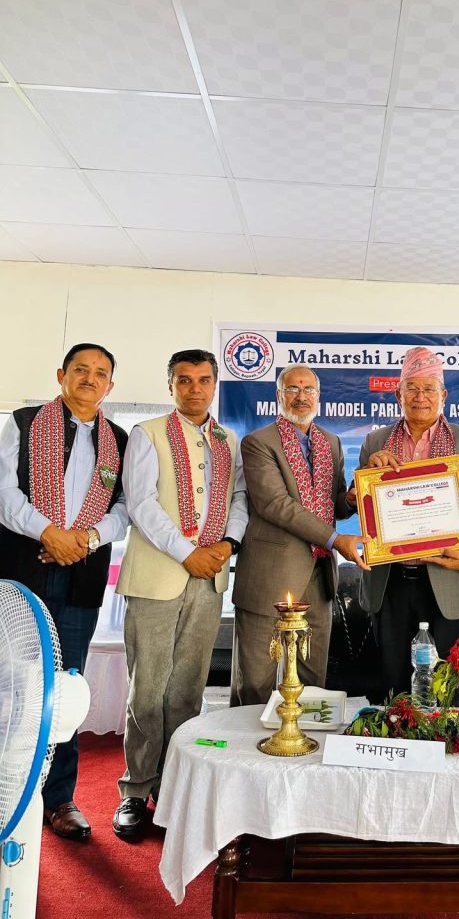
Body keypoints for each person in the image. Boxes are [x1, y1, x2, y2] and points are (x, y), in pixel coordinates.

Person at [113, 349, 247, 840]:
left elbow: (239, 499)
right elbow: (141, 503)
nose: (195, 388)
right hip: (157, 576)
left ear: (215, 385)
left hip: (210, 578)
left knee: (188, 690)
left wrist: (228, 545)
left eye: (203, 380)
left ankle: (174, 787)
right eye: (184, 380)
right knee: (147, 688)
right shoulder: (146, 434)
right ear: (170, 386)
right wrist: (188, 552)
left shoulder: (228, 440)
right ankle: (135, 790)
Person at [0, 343, 129, 840]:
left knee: (67, 688)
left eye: (100, 373)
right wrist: (48, 533)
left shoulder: (119, 440)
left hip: (82, 576)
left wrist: (85, 540)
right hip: (22, 571)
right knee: (13, 685)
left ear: (110, 386)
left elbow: (124, 509)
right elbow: (4, 492)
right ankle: (9, 791)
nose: (89, 379)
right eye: (81, 369)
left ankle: (59, 800)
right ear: (61, 375)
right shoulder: (24, 422)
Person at [357, 347, 459, 698]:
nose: (420, 397)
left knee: (446, 688)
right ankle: (395, 735)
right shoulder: (375, 442)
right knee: (393, 685)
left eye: (429, 389)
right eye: (412, 389)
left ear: (443, 396)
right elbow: (361, 507)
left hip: (449, 580)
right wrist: (369, 477)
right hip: (391, 581)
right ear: (398, 395)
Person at [231, 365, 367, 705]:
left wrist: (351, 500)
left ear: (318, 397)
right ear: (279, 396)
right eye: (292, 389)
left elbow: (333, 503)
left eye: (308, 390)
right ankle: (245, 741)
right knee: (256, 680)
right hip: (269, 575)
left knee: (311, 679)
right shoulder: (258, 443)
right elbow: (276, 505)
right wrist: (336, 540)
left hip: (319, 576)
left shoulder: (330, 442)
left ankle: (304, 736)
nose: (301, 396)